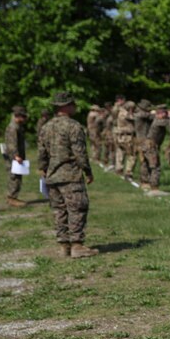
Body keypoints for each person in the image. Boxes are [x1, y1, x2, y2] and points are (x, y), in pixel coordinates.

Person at [38, 92, 98, 258]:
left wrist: (43, 169)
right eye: (73, 104)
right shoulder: (74, 126)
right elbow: (80, 154)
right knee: (77, 208)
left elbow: (42, 153)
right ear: (66, 106)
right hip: (70, 175)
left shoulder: (45, 127)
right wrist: (87, 171)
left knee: (59, 211)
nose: (75, 107)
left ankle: (64, 246)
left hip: (52, 176)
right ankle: (77, 245)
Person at [3, 105, 29, 207]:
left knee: (17, 176)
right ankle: (11, 198)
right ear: (17, 116)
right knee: (14, 177)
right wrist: (16, 156)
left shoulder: (17, 127)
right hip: (13, 157)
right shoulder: (13, 128)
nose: (24, 119)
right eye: (23, 116)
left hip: (16, 156)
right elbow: (11, 143)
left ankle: (14, 197)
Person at [146, 104, 169, 195]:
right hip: (151, 146)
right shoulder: (159, 121)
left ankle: (150, 184)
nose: (167, 115)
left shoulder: (157, 120)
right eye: (165, 113)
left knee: (150, 165)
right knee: (155, 166)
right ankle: (154, 188)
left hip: (150, 145)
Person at [133, 99, 154, 189]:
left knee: (144, 161)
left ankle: (144, 180)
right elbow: (152, 117)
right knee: (146, 161)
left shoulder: (139, 114)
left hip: (141, 140)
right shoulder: (141, 114)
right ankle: (145, 180)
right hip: (143, 140)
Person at [114, 100, 137, 180]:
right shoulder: (125, 114)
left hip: (120, 137)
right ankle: (128, 172)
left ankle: (118, 168)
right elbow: (134, 118)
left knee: (120, 153)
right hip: (127, 137)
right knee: (131, 155)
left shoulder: (120, 112)